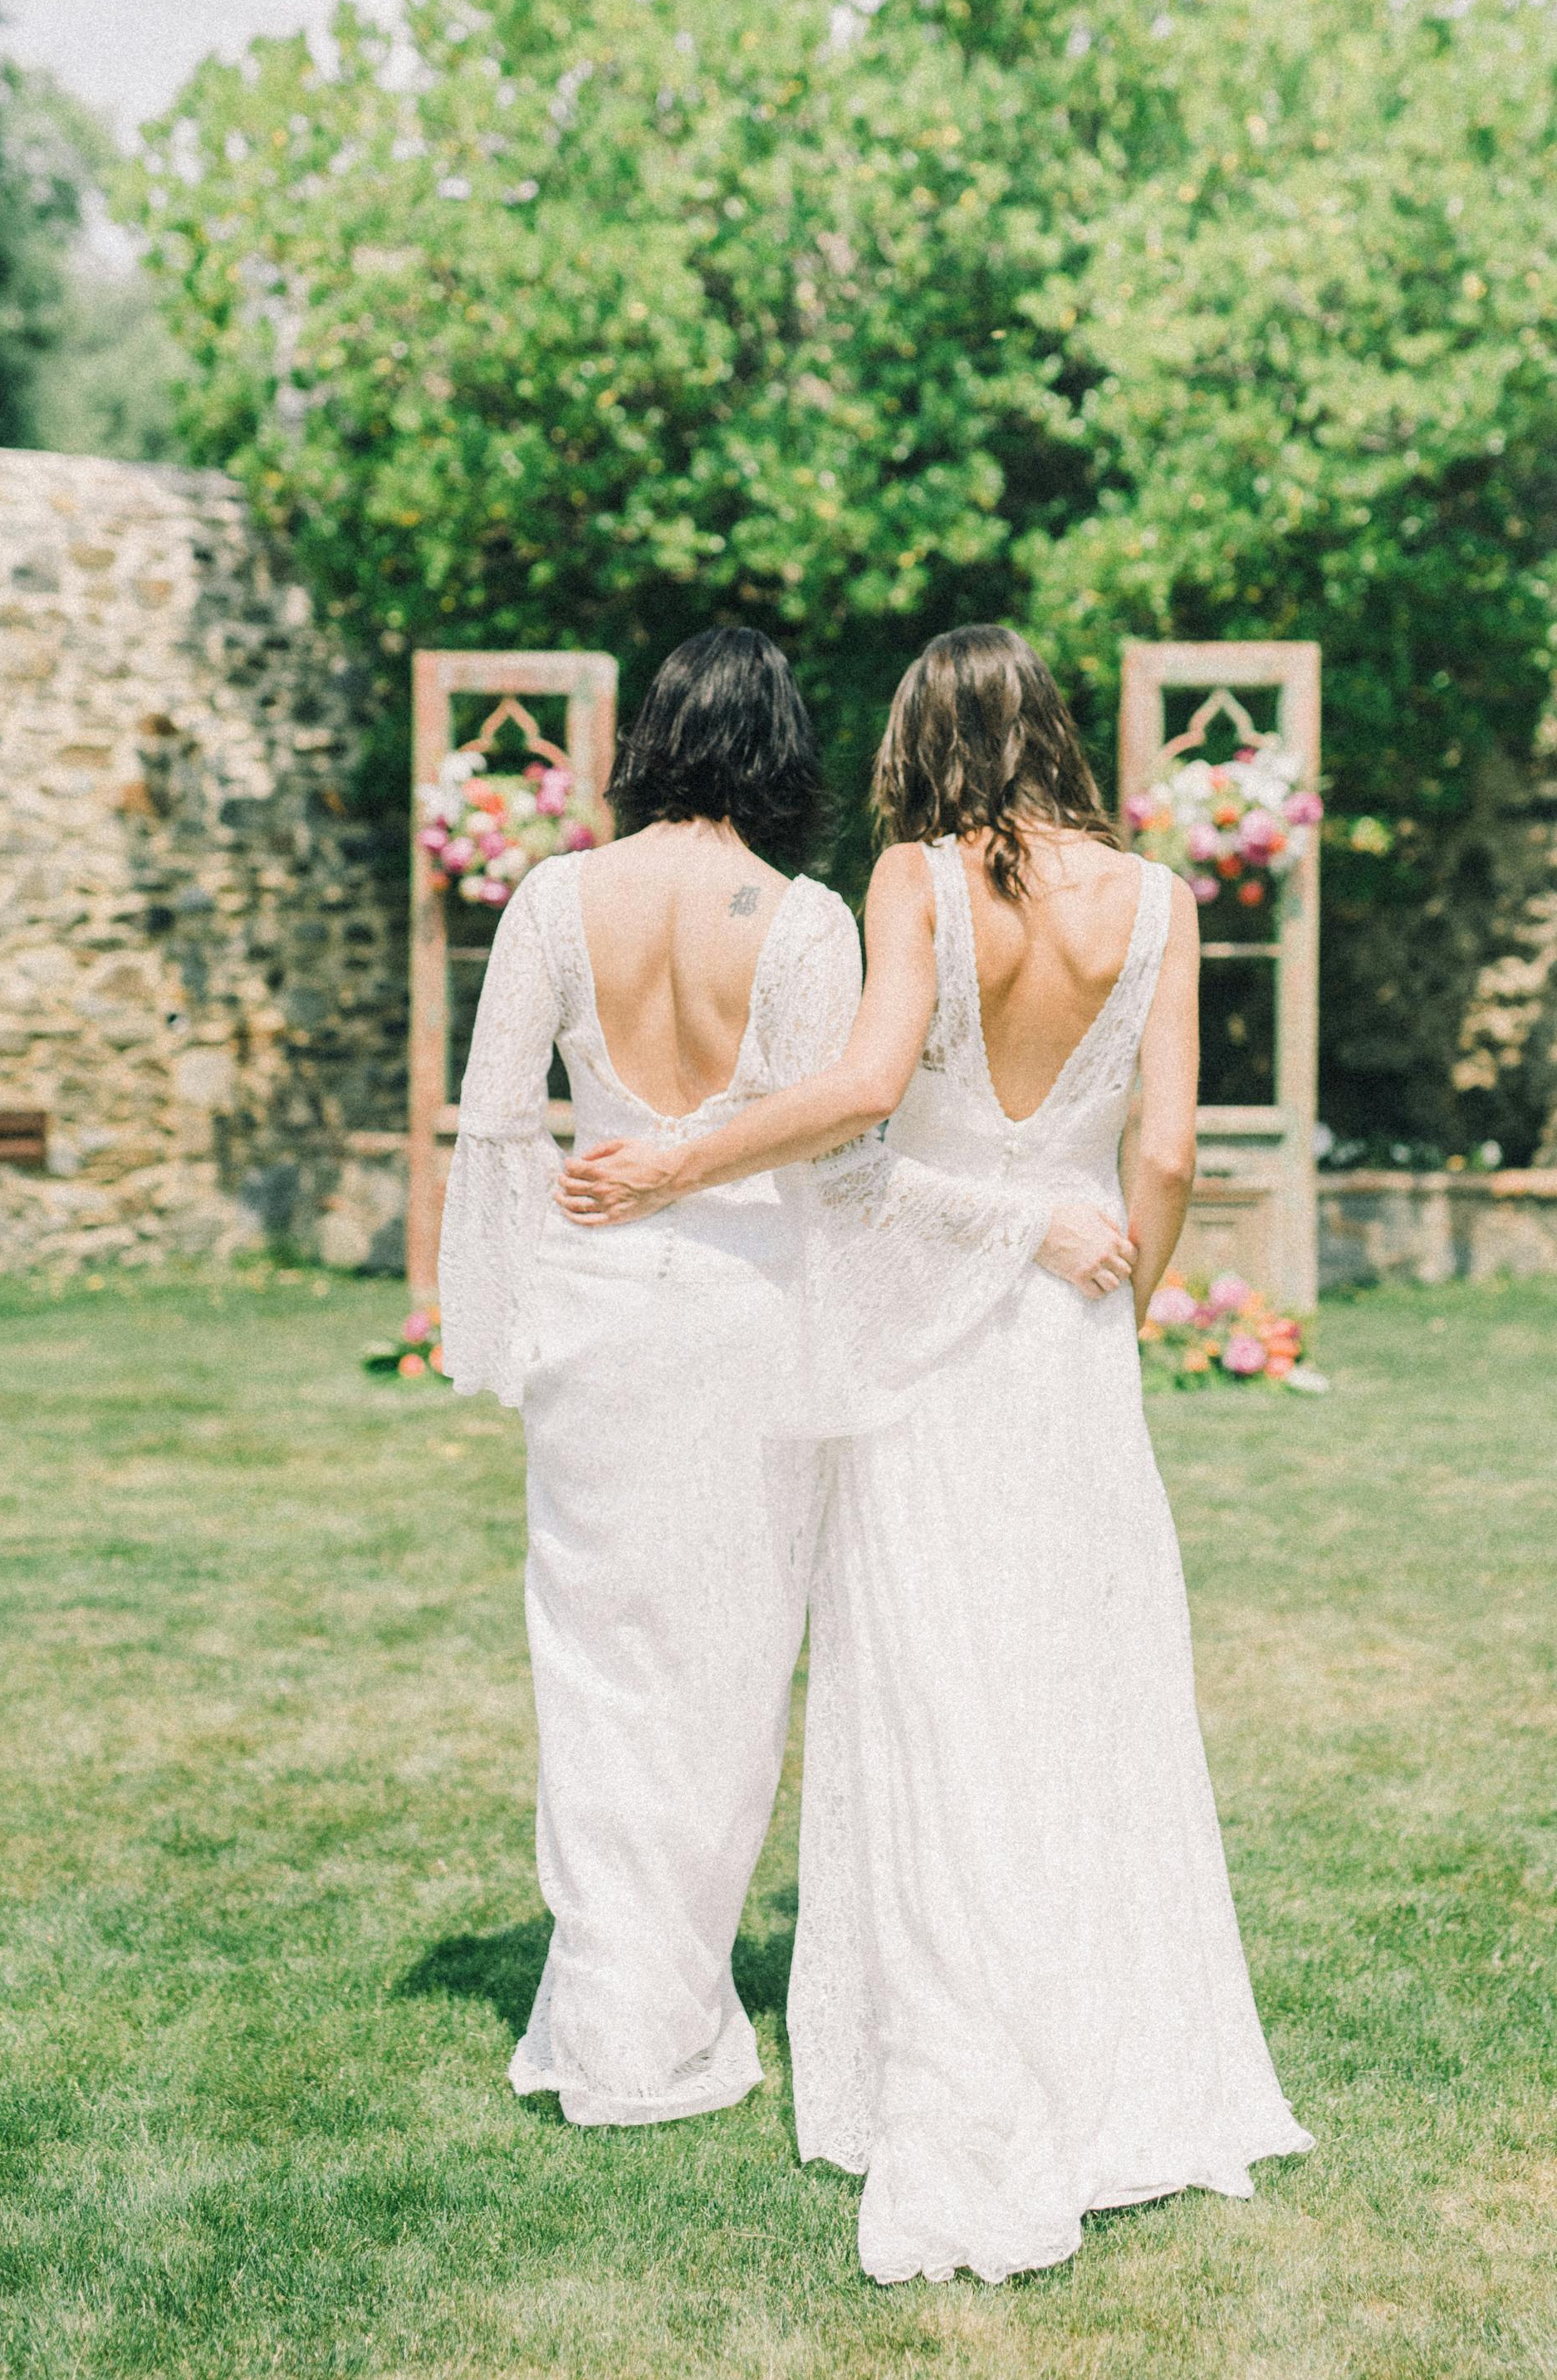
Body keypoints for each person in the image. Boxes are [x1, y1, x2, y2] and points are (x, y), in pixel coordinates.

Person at [561, 624, 1313, 2280]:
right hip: (1072, 1341)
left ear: (918, 738)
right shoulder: (1159, 901)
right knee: (1082, 1690)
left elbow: (863, 1091)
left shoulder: (912, 878)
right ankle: (1118, 2056)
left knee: (937, 1689)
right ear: (1052, 732)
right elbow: (1167, 1146)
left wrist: (675, 1160)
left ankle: (955, 2053)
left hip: (934, 1338)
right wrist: (1123, 1296)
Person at [437, 628, 1127, 2132]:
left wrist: (496, 1326)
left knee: (595, 1656)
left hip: (600, 1307)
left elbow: (493, 1125)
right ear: (777, 754)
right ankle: (663, 2006)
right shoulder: (805, 919)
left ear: (655, 741)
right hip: (746, 1316)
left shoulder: (557, 898)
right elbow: (850, 1165)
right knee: (733, 1677)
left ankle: (617, 2006)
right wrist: (1015, 1227)